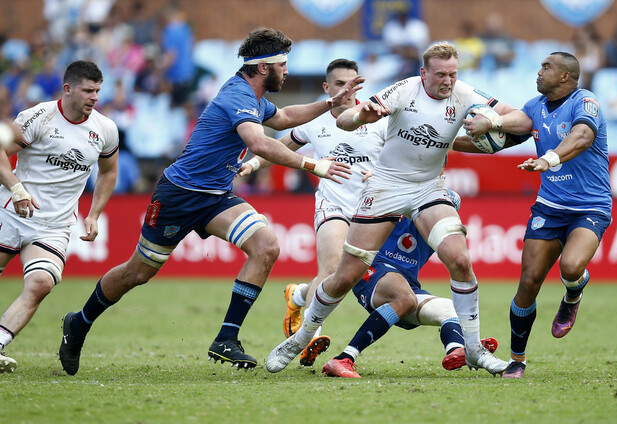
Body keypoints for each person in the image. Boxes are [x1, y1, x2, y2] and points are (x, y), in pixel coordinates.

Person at [58, 27, 362, 375]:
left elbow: (285, 118)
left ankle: (226, 338)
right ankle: (79, 322)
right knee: (137, 273)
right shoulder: (238, 95)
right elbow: (260, 143)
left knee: (266, 246)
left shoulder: (254, 98)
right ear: (264, 67)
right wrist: (314, 165)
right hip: (180, 195)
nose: (287, 71)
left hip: (216, 196)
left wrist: (330, 103)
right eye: (283, 64)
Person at [266, 41, 514, 376]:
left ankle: (473, 350)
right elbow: (346, 120)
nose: (447, 81)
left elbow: (518, 119)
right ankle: (301, 338)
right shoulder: (403, 90)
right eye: (440, 74)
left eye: (453, 74)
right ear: (423, 73)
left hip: (428, 188)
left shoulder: (465, 94)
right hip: (387, 188)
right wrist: (360, 116)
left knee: (459, 260)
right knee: (342, 277)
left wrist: (498, 124)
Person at [461, 52, 611, 378]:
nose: (539, 72)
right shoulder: (535, 106)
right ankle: (517, 359)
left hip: (590, 206)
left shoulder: (585, 102)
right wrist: (443, 144)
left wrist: (548, 159)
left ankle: (574, 291)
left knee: (571, 267)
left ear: (565, 76)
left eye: (546, 67)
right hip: (549, 207)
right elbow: (504, 135)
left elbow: (582, 137)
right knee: (528, 282)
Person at [239, 58, 384, 366]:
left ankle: (299, 295)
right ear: (327, 88)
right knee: (330, 269)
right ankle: (309, 337)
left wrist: (382, 174)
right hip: (333, 204)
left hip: (372, 209)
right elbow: (281, 147)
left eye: (353, 84)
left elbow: (400, 158)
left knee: (346, 279)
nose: (347, 90)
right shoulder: (315, 121)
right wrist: (252, 164)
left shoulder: (377, 117)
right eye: (340, 84)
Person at [0, 60, 119, 373]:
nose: (94, 97)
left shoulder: (105, 129)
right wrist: (17, 188)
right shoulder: (38, 117)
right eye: (88, 90)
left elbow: (109, 172)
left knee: (41, 282)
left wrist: (94, 214)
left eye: (98, 91)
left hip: (54, 225)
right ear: (68, 89)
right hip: (11, 213)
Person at [321, 198, 499, 378]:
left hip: (407, 284)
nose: (439, 216)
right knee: (405, 298)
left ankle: (457, 349)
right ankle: (343, 358)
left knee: (450, 308)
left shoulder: (440, 231)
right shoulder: (402, 203)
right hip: (373, 269)